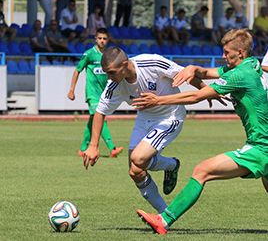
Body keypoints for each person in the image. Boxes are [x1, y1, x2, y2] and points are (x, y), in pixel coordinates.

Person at [133, 29, 268, 234]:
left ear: (240, 52)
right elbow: (208, 73)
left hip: (261, 148)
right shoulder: (251, 64)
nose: (223, 57)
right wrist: (193, 68)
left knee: (202, 170)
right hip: (262, 144)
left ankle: (164, 220)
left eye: (226, 52)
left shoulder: (241, 74)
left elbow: (197, 97)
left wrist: (158, 100)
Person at [82, 47, 208, 213]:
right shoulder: (114, 84)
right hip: (144, 118)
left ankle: (170, 166)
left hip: (170, 116)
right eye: (107, 73)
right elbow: (100, 112)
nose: (109, 77)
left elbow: (185, 74)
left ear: (125, 65)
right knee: (135, 171)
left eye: (112, 72)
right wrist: (93, 145)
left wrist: (208, 91)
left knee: (138, 158)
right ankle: (164, 213)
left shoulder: (151, 63)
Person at [67, 28, 123, 158]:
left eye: (104, 39)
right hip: (92, 93)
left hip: (104, 93)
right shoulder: (89, 54)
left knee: (93, 120)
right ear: (95, 39)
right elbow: (77, 70)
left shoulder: (108, 56)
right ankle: (112, 148)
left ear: (108, 40)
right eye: (100, 38)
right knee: (101, 118)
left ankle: (82, 149)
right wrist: (71, 90)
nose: (102, 41)